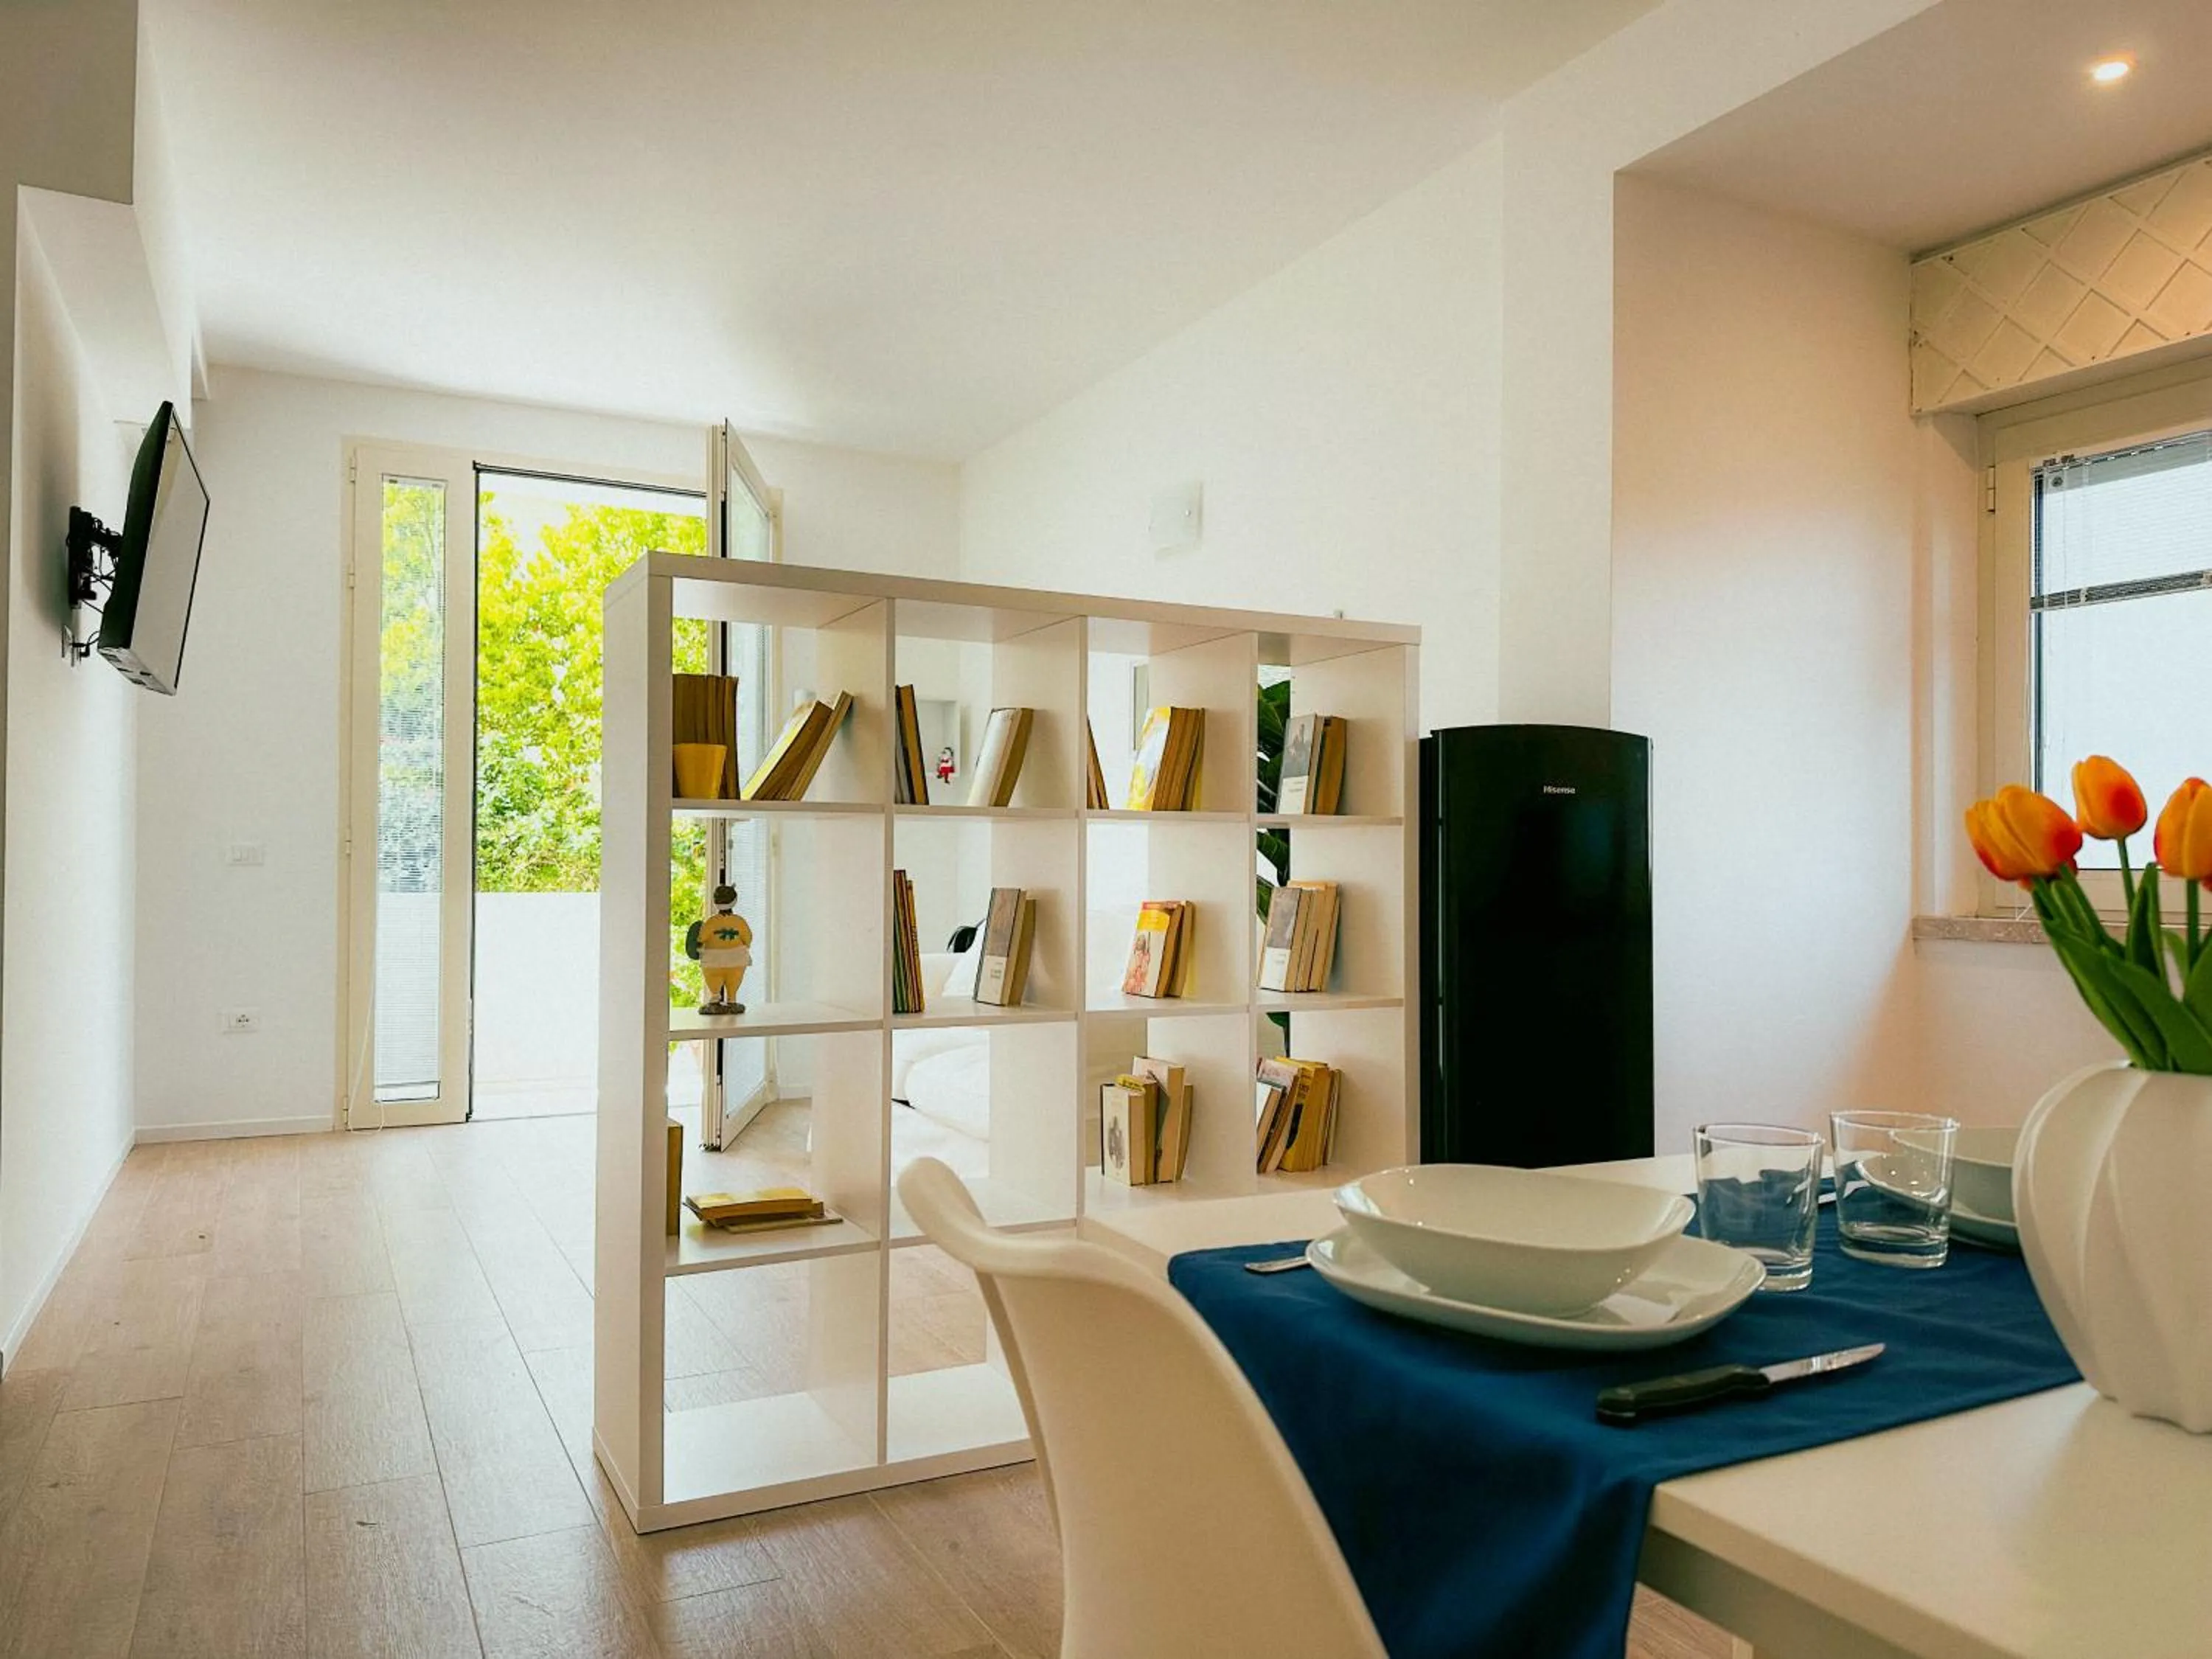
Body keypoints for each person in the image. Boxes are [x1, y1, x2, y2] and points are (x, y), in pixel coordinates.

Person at [684, 884, 754, 1015]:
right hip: (736, 958)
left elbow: (701, 938)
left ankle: (715, 999)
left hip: (713, 959)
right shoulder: (740, 922)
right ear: (734, 901)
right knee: (734, 980)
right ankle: (732, 1000)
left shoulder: (711, 922)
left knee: (714, 979)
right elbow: (748, 938)